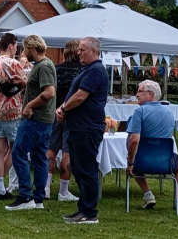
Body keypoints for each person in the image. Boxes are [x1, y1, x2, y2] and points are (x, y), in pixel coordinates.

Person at [55, 36, 109, 225]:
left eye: (82, 49)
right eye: (78, 49)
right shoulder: (88, 69)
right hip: (78, 126)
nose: (78, 52)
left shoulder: (96, 70)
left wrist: (63, 108)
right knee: (77, 168)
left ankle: (90, 212)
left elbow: (80, 96)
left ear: (94, 51)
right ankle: (83, 209)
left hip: (87, 127)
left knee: (86, 169)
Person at [6, 35, 56, 211]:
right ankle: (38, 198)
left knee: (18, 153)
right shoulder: (44, 65)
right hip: (44, 120)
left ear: (33, 49)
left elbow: (49, 92)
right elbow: (41, 86)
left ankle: (25, 196)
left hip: (36, 119)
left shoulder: (44, 67)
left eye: (25, 49)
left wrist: (29, 105)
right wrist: (24, 82)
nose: (24, 52)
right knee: (39, 157)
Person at [126, 80, 178, 212]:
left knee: (133, 159)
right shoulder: (168, 112)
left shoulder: (139, 112)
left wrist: (130, 162)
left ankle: (148, 193)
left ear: (150, 94)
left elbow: (134, 140)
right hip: (164, 162)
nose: (136, 95)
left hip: (141, 162)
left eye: (139, 91)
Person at [0, 33, 25, 201]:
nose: (16, 50)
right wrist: (23, 64)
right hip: (12, 110)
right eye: (16, 46)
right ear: (11, 45)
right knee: (13, 147)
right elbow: (25, 81)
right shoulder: (12, 63)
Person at [46, 39, 81, 202]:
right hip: (73, 114)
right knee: (67, 151)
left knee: (51, 148)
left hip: (54, 113)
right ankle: (63, 191)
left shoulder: (55, 69)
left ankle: (45, 187)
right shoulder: (83, 70)